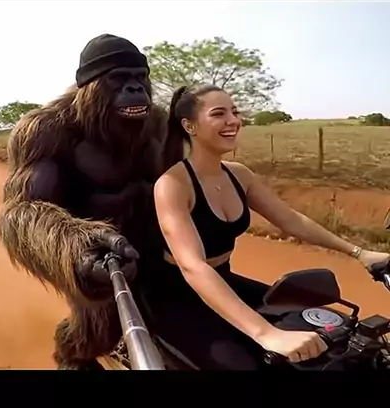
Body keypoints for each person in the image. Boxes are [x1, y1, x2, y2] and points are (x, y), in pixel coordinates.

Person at [149, 84, 390, 370]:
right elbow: (193, 267)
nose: (233, 121)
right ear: (189, 126)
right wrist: (266, 334)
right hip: (178, 298)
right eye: (218, 114)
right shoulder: (172, 185)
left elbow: (291, 220)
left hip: (226, 282)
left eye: (235, 112)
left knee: (334, 336)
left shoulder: (240, 175)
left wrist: (360, 253)